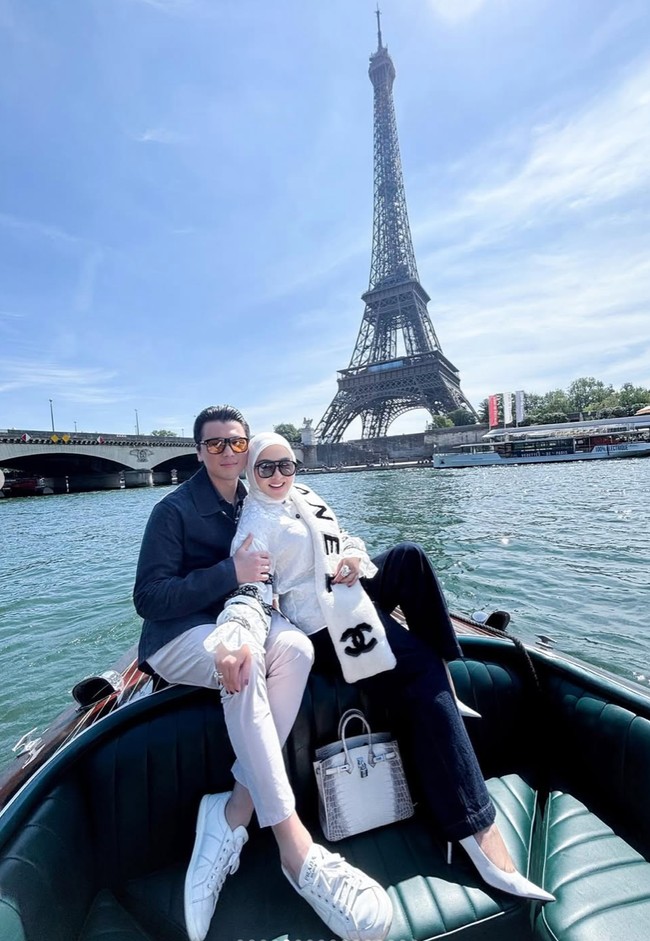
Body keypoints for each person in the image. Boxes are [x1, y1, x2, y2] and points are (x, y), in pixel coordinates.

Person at [210, 431, 554, 905]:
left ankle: (448, 674)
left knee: (409, 557)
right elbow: (250, 593)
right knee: (418, 672)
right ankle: (473, 829)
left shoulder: (303, 496)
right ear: (252, 472)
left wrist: (351, 558)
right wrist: (238, 638)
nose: (276, 476)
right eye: (265, 468)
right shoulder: (256, 523)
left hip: (344, 592)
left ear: (296, 467)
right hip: (324, 627)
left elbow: (343, 538)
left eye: (285, 465)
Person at [133, 405, 393, 941]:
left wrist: (346, 558)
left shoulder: (259, 499)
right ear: (198, 450)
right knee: (247, 665)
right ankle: (294, 848)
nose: (228, 453)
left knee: (296, 649)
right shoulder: (173, 510)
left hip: (247, 614)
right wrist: (229, 572)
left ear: (249, 449)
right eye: (215, 444)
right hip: (181, 633)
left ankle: (233, 811)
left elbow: (286, 570)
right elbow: (149, 598)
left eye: (236, 443)